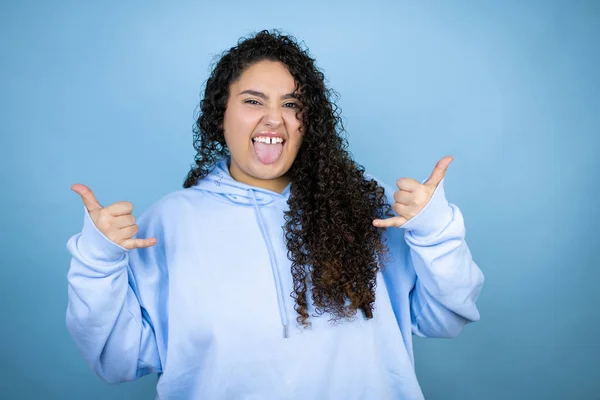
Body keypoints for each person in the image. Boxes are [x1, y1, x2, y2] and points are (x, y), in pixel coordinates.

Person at [66, 29, 484, 400]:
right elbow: (117, 360)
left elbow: (445, 318)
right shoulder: (171, 222)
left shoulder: (361, 207)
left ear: (309, 122)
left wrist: (434, 232)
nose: (273, 118)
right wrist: (99, 263)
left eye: (291, 104)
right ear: (220, 117)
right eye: (252, 101)